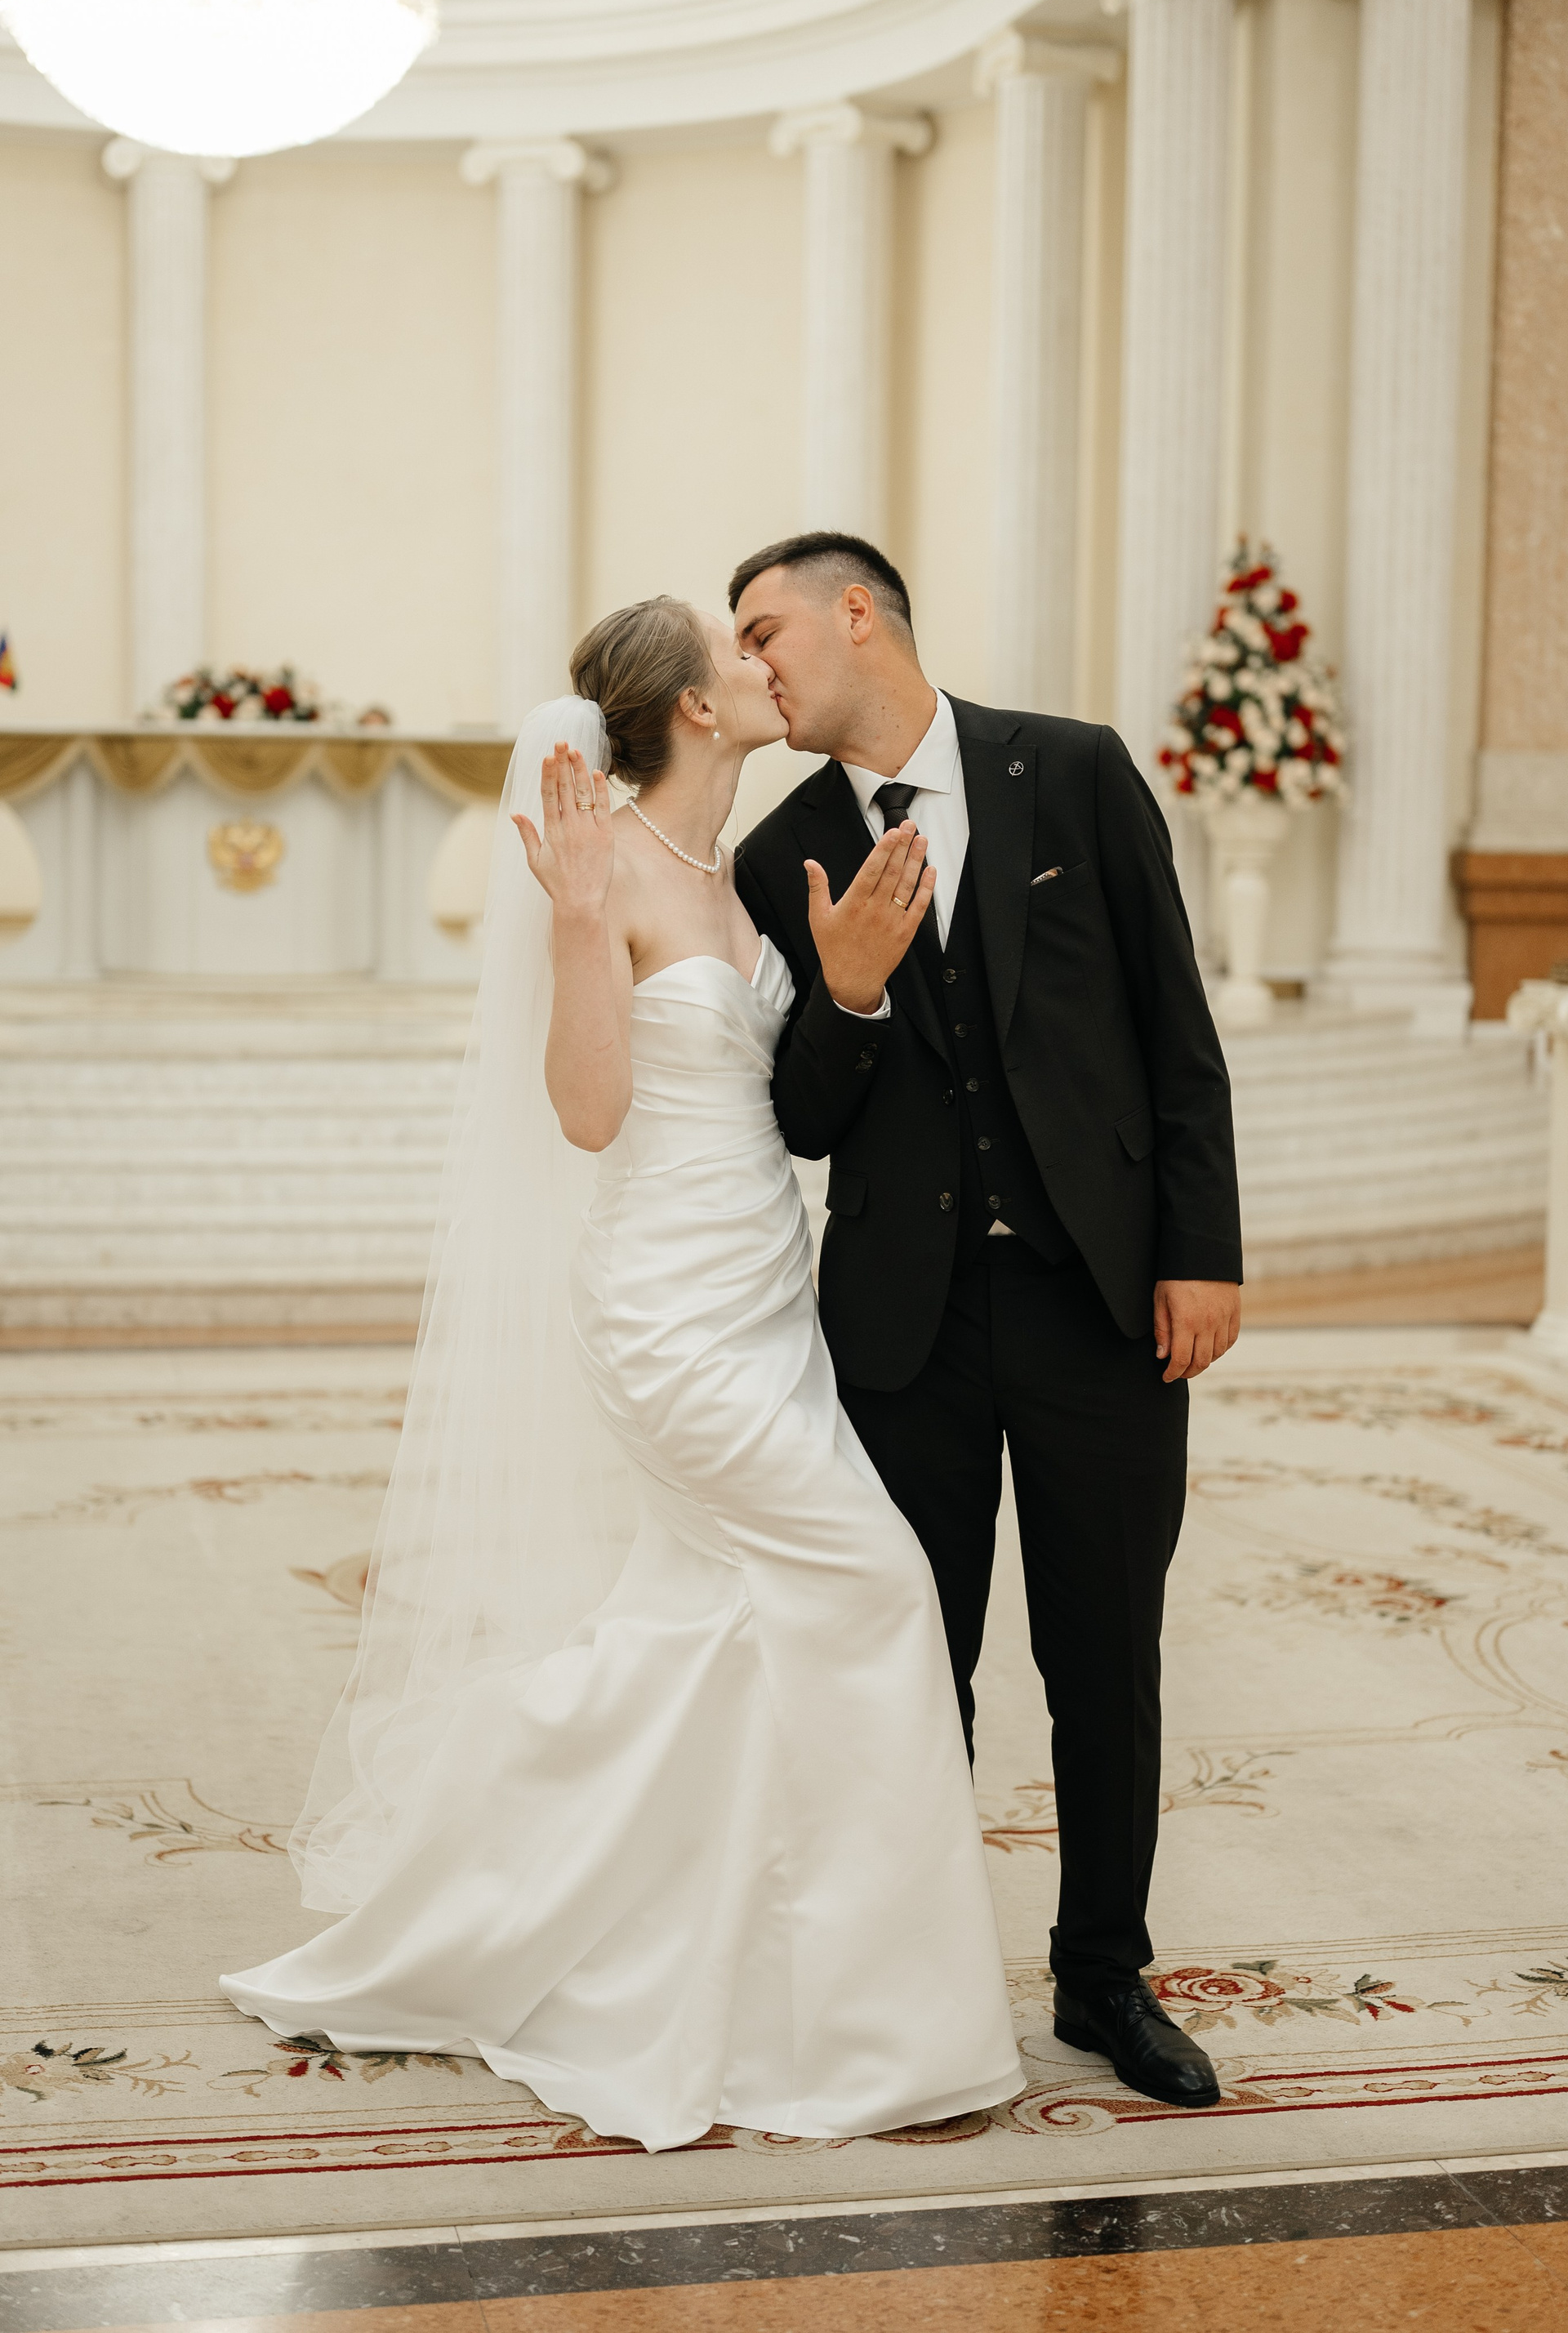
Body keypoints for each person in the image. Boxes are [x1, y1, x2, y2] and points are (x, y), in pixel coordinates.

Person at [219, 599, 1022, 2152]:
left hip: (769, 1305)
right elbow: (589, 1115)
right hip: (668, 1317)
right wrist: (581, 924)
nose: (764, 663)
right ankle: (888, 2029)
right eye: (737, 650)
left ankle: (668, 1950)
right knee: (878, 1587)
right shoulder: (608, 876)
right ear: (698, 710)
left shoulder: (738, 871)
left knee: (718, 1632)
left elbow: (791, 1094)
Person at [728, 532, 1244, 2112]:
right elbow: (801, 1121)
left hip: (1099, 1298)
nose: (752, 667)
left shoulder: (1071, 771)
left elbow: (1175, 1024)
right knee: (915, 1661)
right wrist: (851, 992)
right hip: (907, 1327)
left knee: (1106, 1650)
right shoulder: (779, 853)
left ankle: (1104, 1975)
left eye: (765, 632)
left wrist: (1202, 1250)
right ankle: (923, 1980)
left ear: (858, 612)